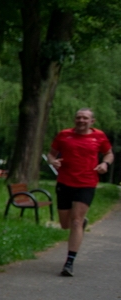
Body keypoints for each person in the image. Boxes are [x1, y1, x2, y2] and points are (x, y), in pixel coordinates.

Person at [46, 108, 113, 277]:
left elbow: (109, 154)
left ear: (92, 121)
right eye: (78, 117)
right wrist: (54, 162)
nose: (81, 120)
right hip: (65, 182)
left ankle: (69, 262)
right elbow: (50, 155)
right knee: (65, 224)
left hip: (87, 182)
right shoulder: (64, 135)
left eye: (85, 118)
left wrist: (105, 164)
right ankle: (79, 225)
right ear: (74, 119)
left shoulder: (99, 136)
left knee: (76, 221)